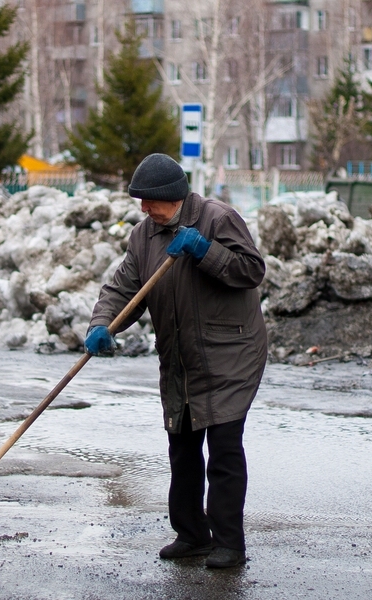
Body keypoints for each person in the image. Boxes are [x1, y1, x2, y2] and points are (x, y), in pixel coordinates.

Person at [84, 153, 267, 569]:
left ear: (171, 195)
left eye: (148, 200)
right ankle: (192, 535)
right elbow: (122, 288)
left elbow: (251, 270)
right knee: (182, 447)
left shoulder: (218, 219)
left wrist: (205, 250)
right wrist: (103, 325)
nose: (143, 209)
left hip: (231, 355)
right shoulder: (144, 236)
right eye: (140, 202)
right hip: (181, 358)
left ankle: (229, 544)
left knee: (223, 448)